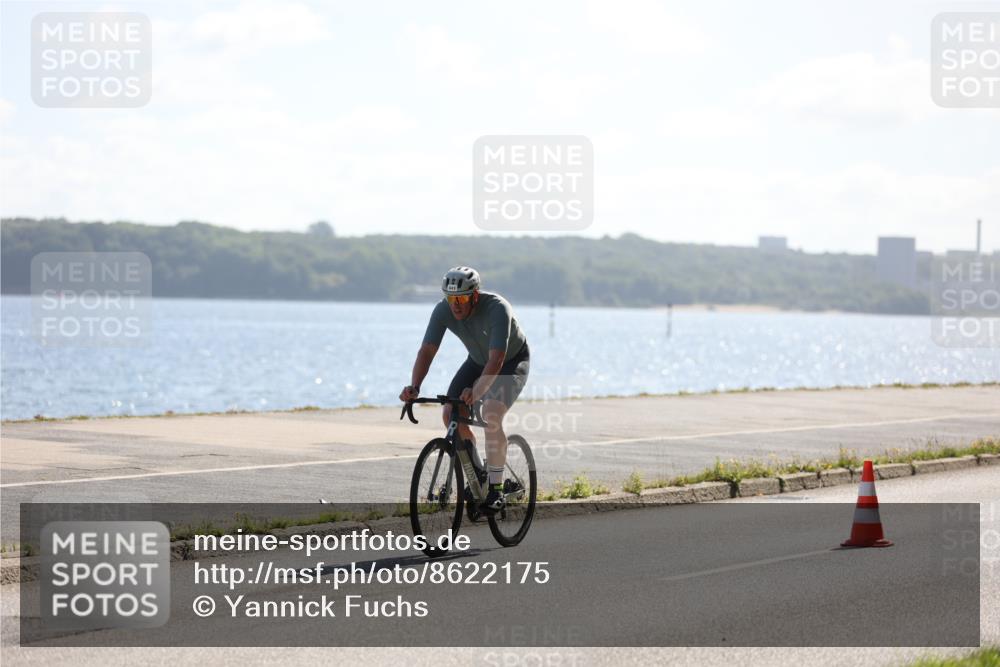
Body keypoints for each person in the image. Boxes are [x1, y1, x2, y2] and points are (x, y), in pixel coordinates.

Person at [399, 266, 530, 515]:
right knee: (450, 414)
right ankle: (479, 474)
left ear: (475, 296)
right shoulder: (443, 310)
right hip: (477, 361)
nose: (455, 305)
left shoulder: (497, 308)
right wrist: (414, 387)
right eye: (450, 299)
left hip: (510, 362)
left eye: (460, 298)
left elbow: (496, 361)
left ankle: (496, 489)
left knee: (491, 412)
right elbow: (427, 350)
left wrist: (477, 391)